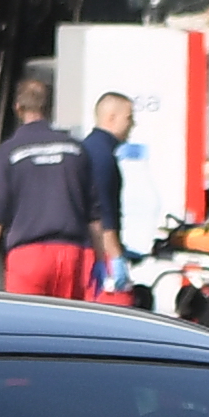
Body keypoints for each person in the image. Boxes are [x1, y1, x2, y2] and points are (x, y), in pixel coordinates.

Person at [0, 73, 103, 299]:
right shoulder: (75, 149)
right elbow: (94, 215)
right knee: (67, 328)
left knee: (27, 328)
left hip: (27, 257)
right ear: (50, 108)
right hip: (71, 255)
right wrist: (102, 260)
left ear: (17, 108)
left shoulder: (9, 151)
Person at [82, 90, 141, 299]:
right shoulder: (101, 156)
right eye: (129, 118)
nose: (132, 124)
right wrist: (116, 258)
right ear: (111, 118)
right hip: (98, 252)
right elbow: (103, 214)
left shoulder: (90, 148)